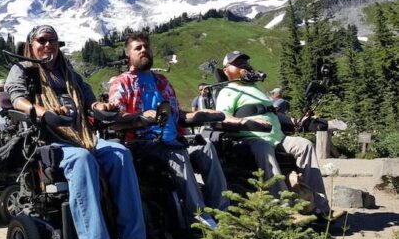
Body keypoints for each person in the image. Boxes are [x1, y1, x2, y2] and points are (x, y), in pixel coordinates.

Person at [5, 25, 157, 239]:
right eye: (42, 40)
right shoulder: (23, 69)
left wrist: (101, 107)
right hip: (49, 142)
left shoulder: (69, 73)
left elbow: (89, 101)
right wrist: (43, 111)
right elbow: (16, 99)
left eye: (52, 40)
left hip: (83, 136)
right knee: (82, 159)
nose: (48, 45)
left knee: (120, 153)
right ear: (31, 44)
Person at [108, 33, 228, 228]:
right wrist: (141, 117)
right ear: (128, 55)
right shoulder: (122, 82)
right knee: (178, 154)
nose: (144, 50)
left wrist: (199, 114)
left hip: (174, 139)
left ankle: (222, 211)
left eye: (146, 46)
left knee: (205, 147)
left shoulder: (161, 81)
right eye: (138, 48)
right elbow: (115, 120)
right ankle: (199, 220)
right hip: (143, 143)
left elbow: (177, 115)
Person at [215, 50, 342, 220]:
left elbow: (271, 113)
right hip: (249, 139)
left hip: (277, 137)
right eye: (237, 64)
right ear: (226, 70)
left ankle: (321, 207)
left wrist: (294, 121)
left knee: (304, 145)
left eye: (244, 63)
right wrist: (245, 122)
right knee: (263, 147)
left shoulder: (256, 88)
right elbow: (222, 118)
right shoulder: (227, 92)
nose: (243, 66)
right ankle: (286, 210)